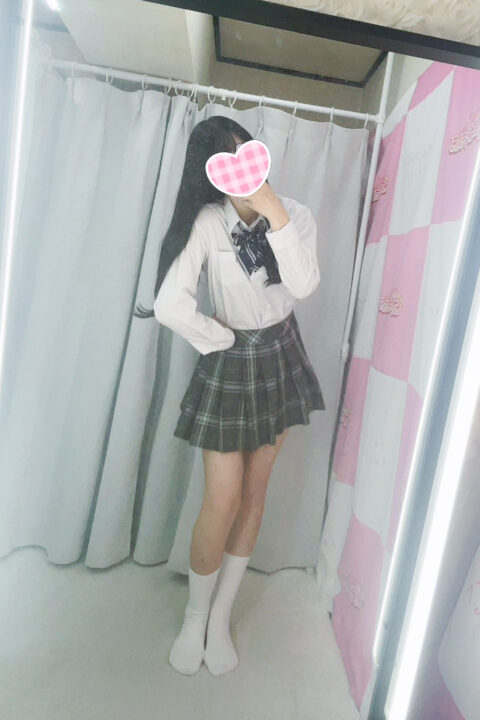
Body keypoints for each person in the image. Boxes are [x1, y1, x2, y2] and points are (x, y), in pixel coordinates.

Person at [134, 115, 325, 676]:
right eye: (228, 161)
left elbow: (304, 285)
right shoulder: (207, 223)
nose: (244, 170)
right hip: (230, 361)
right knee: (221, 497)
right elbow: (170, 305)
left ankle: (220, 617)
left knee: (254, 492)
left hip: (281, 354)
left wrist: (275, 212)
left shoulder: (297, 214)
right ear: (211, 174)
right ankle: (195, 617)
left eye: (249, 154)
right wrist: (218, 337)